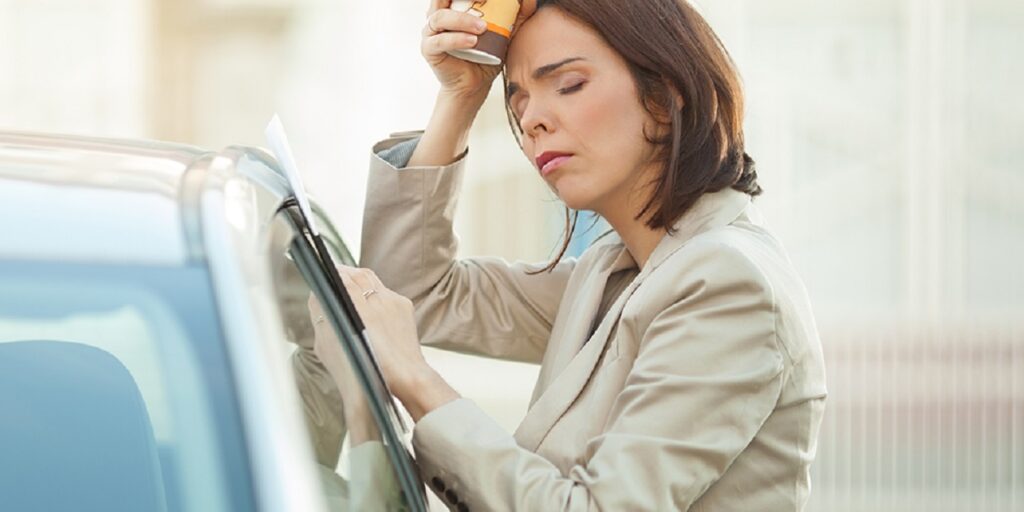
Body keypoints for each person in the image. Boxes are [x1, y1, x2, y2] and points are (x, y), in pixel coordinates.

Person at [315, 0, 827, 509]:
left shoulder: (726, 284)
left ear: (665, 94)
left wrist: (418, 383)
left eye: (569, 85)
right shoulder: (615, 269)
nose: (533, 119)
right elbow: (409, 294)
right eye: (518, 104)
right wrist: (462, 95)